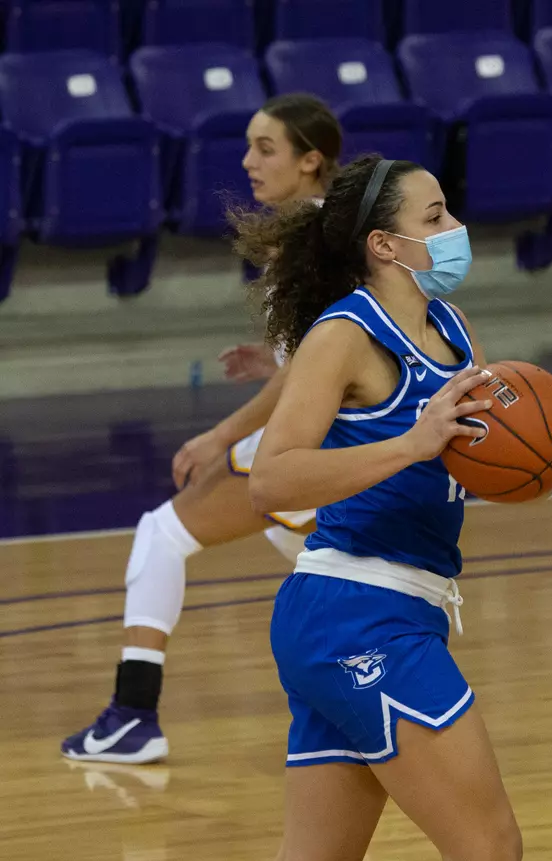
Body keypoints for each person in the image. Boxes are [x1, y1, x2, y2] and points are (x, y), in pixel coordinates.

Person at [76, 154, 538, 861]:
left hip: (392, 607)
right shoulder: (342, 334)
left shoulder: (449, 325)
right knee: (486, 852)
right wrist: (412, 443)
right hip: (354, 615)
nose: (454, 229)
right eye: (436, 213)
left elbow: (465, 459)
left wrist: (518, 462)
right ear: (386, 244)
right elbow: (277, 478)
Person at [62, 94, 342, 766]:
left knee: (160, 534)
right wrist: (270, 358)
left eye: (265, 148)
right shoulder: (317, 230)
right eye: (248, 145)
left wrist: (220, 434)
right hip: (328, 444)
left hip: (309, 442)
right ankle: (375, 683)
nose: (248, 161)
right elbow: (316, 351)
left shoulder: (313, 240)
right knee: (317, 562)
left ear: (310, 161)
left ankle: (132, 718)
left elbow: (314, 364)